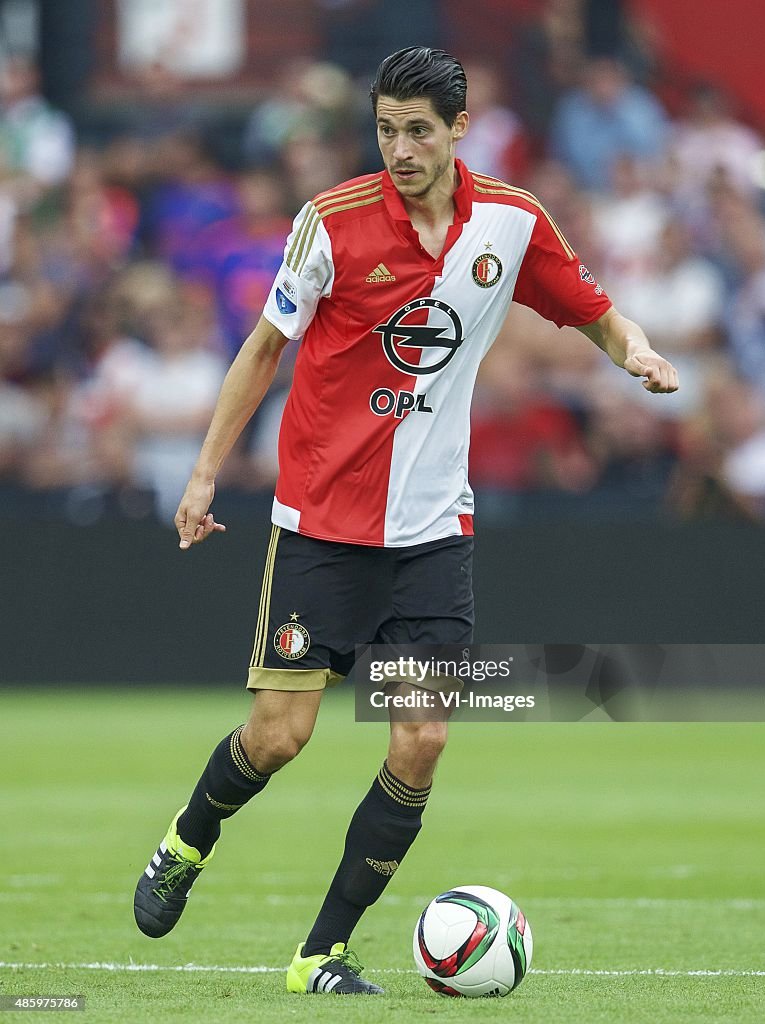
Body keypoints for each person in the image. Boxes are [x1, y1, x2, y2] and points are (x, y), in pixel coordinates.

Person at [133, 46, 678, 996]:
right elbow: (265, 347)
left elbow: (590, 311)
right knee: (278, 737)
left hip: (432, 531)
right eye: (385, 129)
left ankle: (321, 954)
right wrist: (203, 475)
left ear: (458, 130)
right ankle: (188, 838)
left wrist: (633, 350)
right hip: (323, 524)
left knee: (420, 739)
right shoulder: (329, 224)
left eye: (417, 130)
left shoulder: (510, 222)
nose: (398, 148)